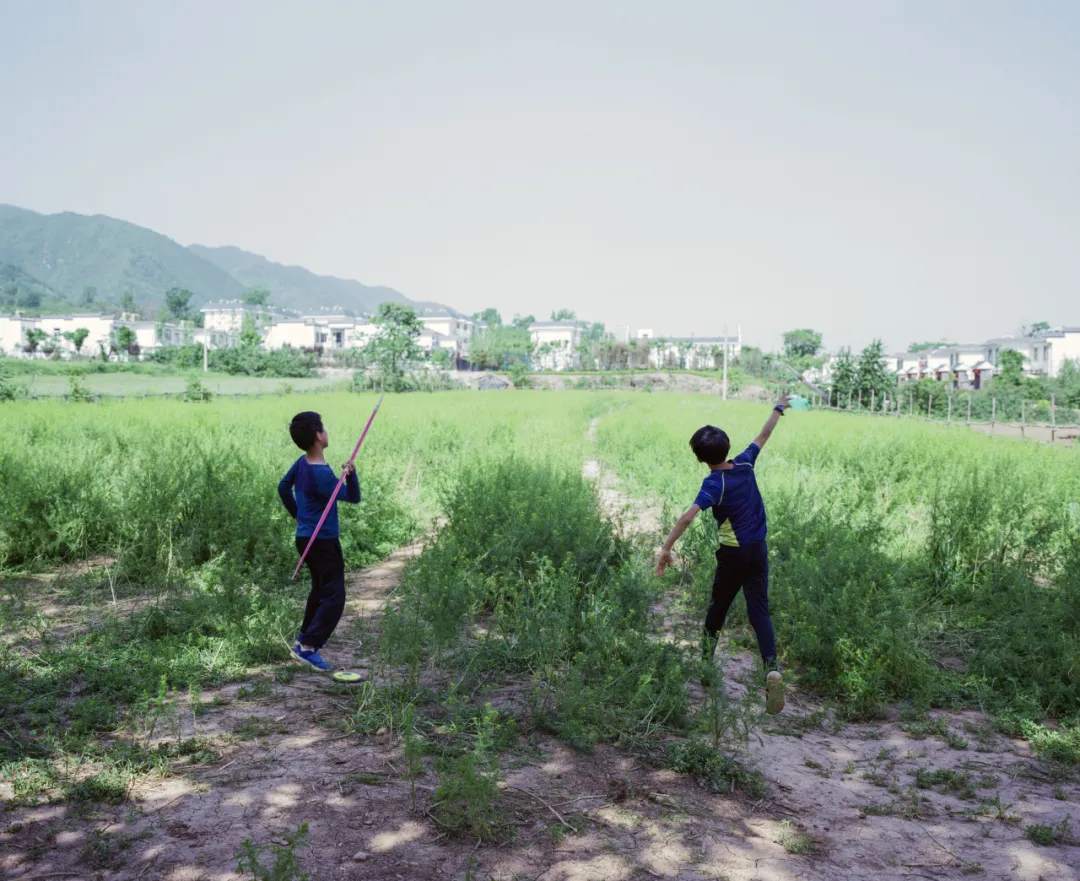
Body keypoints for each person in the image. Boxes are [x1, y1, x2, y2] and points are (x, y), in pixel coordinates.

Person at [655, 396, 790, 714]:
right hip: (758, 550)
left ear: (700, 459)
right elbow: (764, 434)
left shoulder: (714, 482)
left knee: (717, 610)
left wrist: (666, 547)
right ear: (728, 447)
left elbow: (688, 516)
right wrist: (778, 409)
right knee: (760, 612)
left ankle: (704, 669)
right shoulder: (745, 462)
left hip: (732, 555)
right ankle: (772, 669)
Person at [278, 411, 361, 672]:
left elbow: (283, 487)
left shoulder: (302, 463)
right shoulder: (322, 474)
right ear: (317, 435)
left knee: (320, 590)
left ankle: (304, 640)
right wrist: (351, 475)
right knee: (335, 596)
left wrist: (298, 516)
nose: (326, 432)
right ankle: (309, 648)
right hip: (323, 542)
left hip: (305, 538)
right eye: (323, 428)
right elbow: (353, 497)